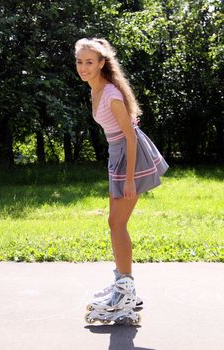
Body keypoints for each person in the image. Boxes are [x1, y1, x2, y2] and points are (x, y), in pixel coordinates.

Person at [75, 38, 169, 324]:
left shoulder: (111, 95)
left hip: (130, 155)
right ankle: (123, 286)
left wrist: (129, 180)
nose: (83, 67)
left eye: (90, 62)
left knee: (117, 223)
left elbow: (129, 136)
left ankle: (126, 292)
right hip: (117, 154)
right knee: (114, 223)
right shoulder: (96, 89)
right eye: (80, 61)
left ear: (102, 63)